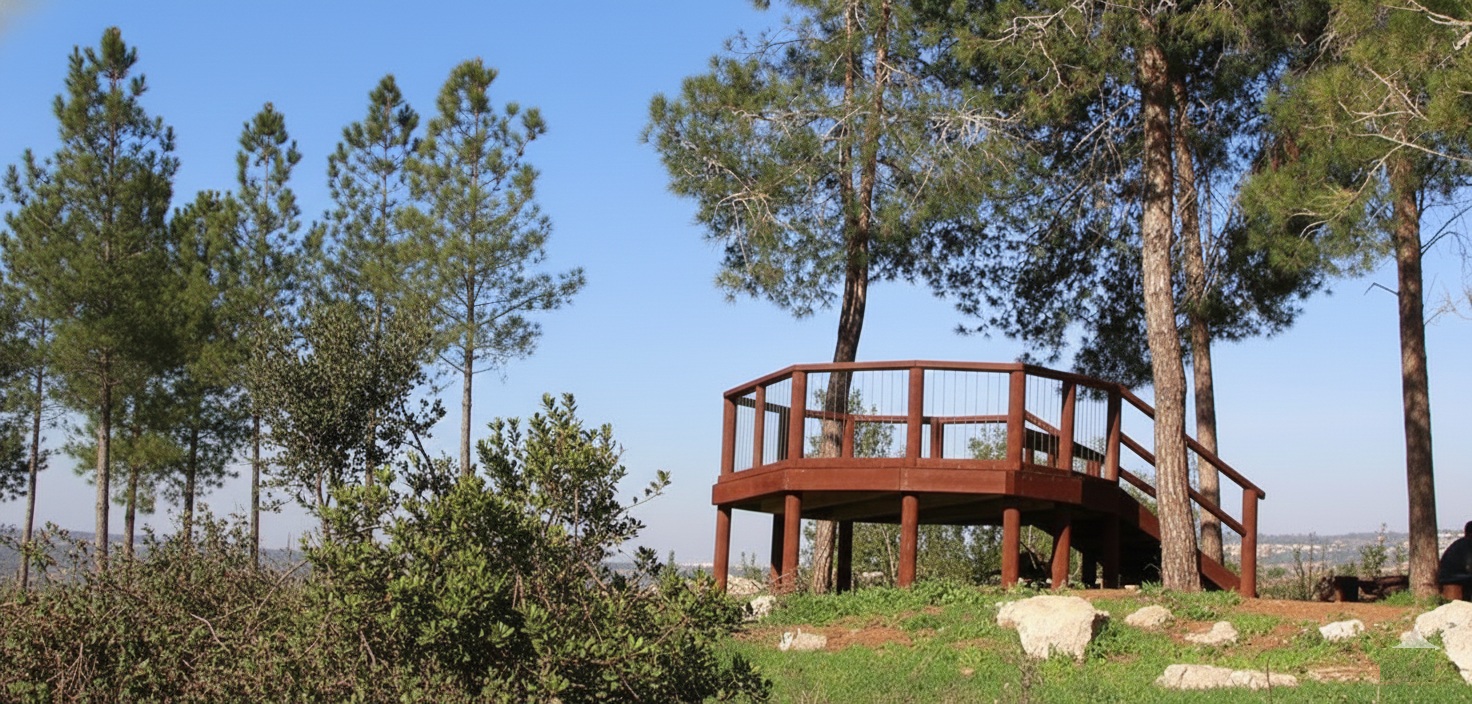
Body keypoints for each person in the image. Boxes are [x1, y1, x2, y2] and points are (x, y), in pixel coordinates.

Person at [1438, 521, 1472, 599]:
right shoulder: (1467, 544)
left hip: (1449, 577)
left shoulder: (1459, 543)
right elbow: (1469, 567)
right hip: (1453, 578)